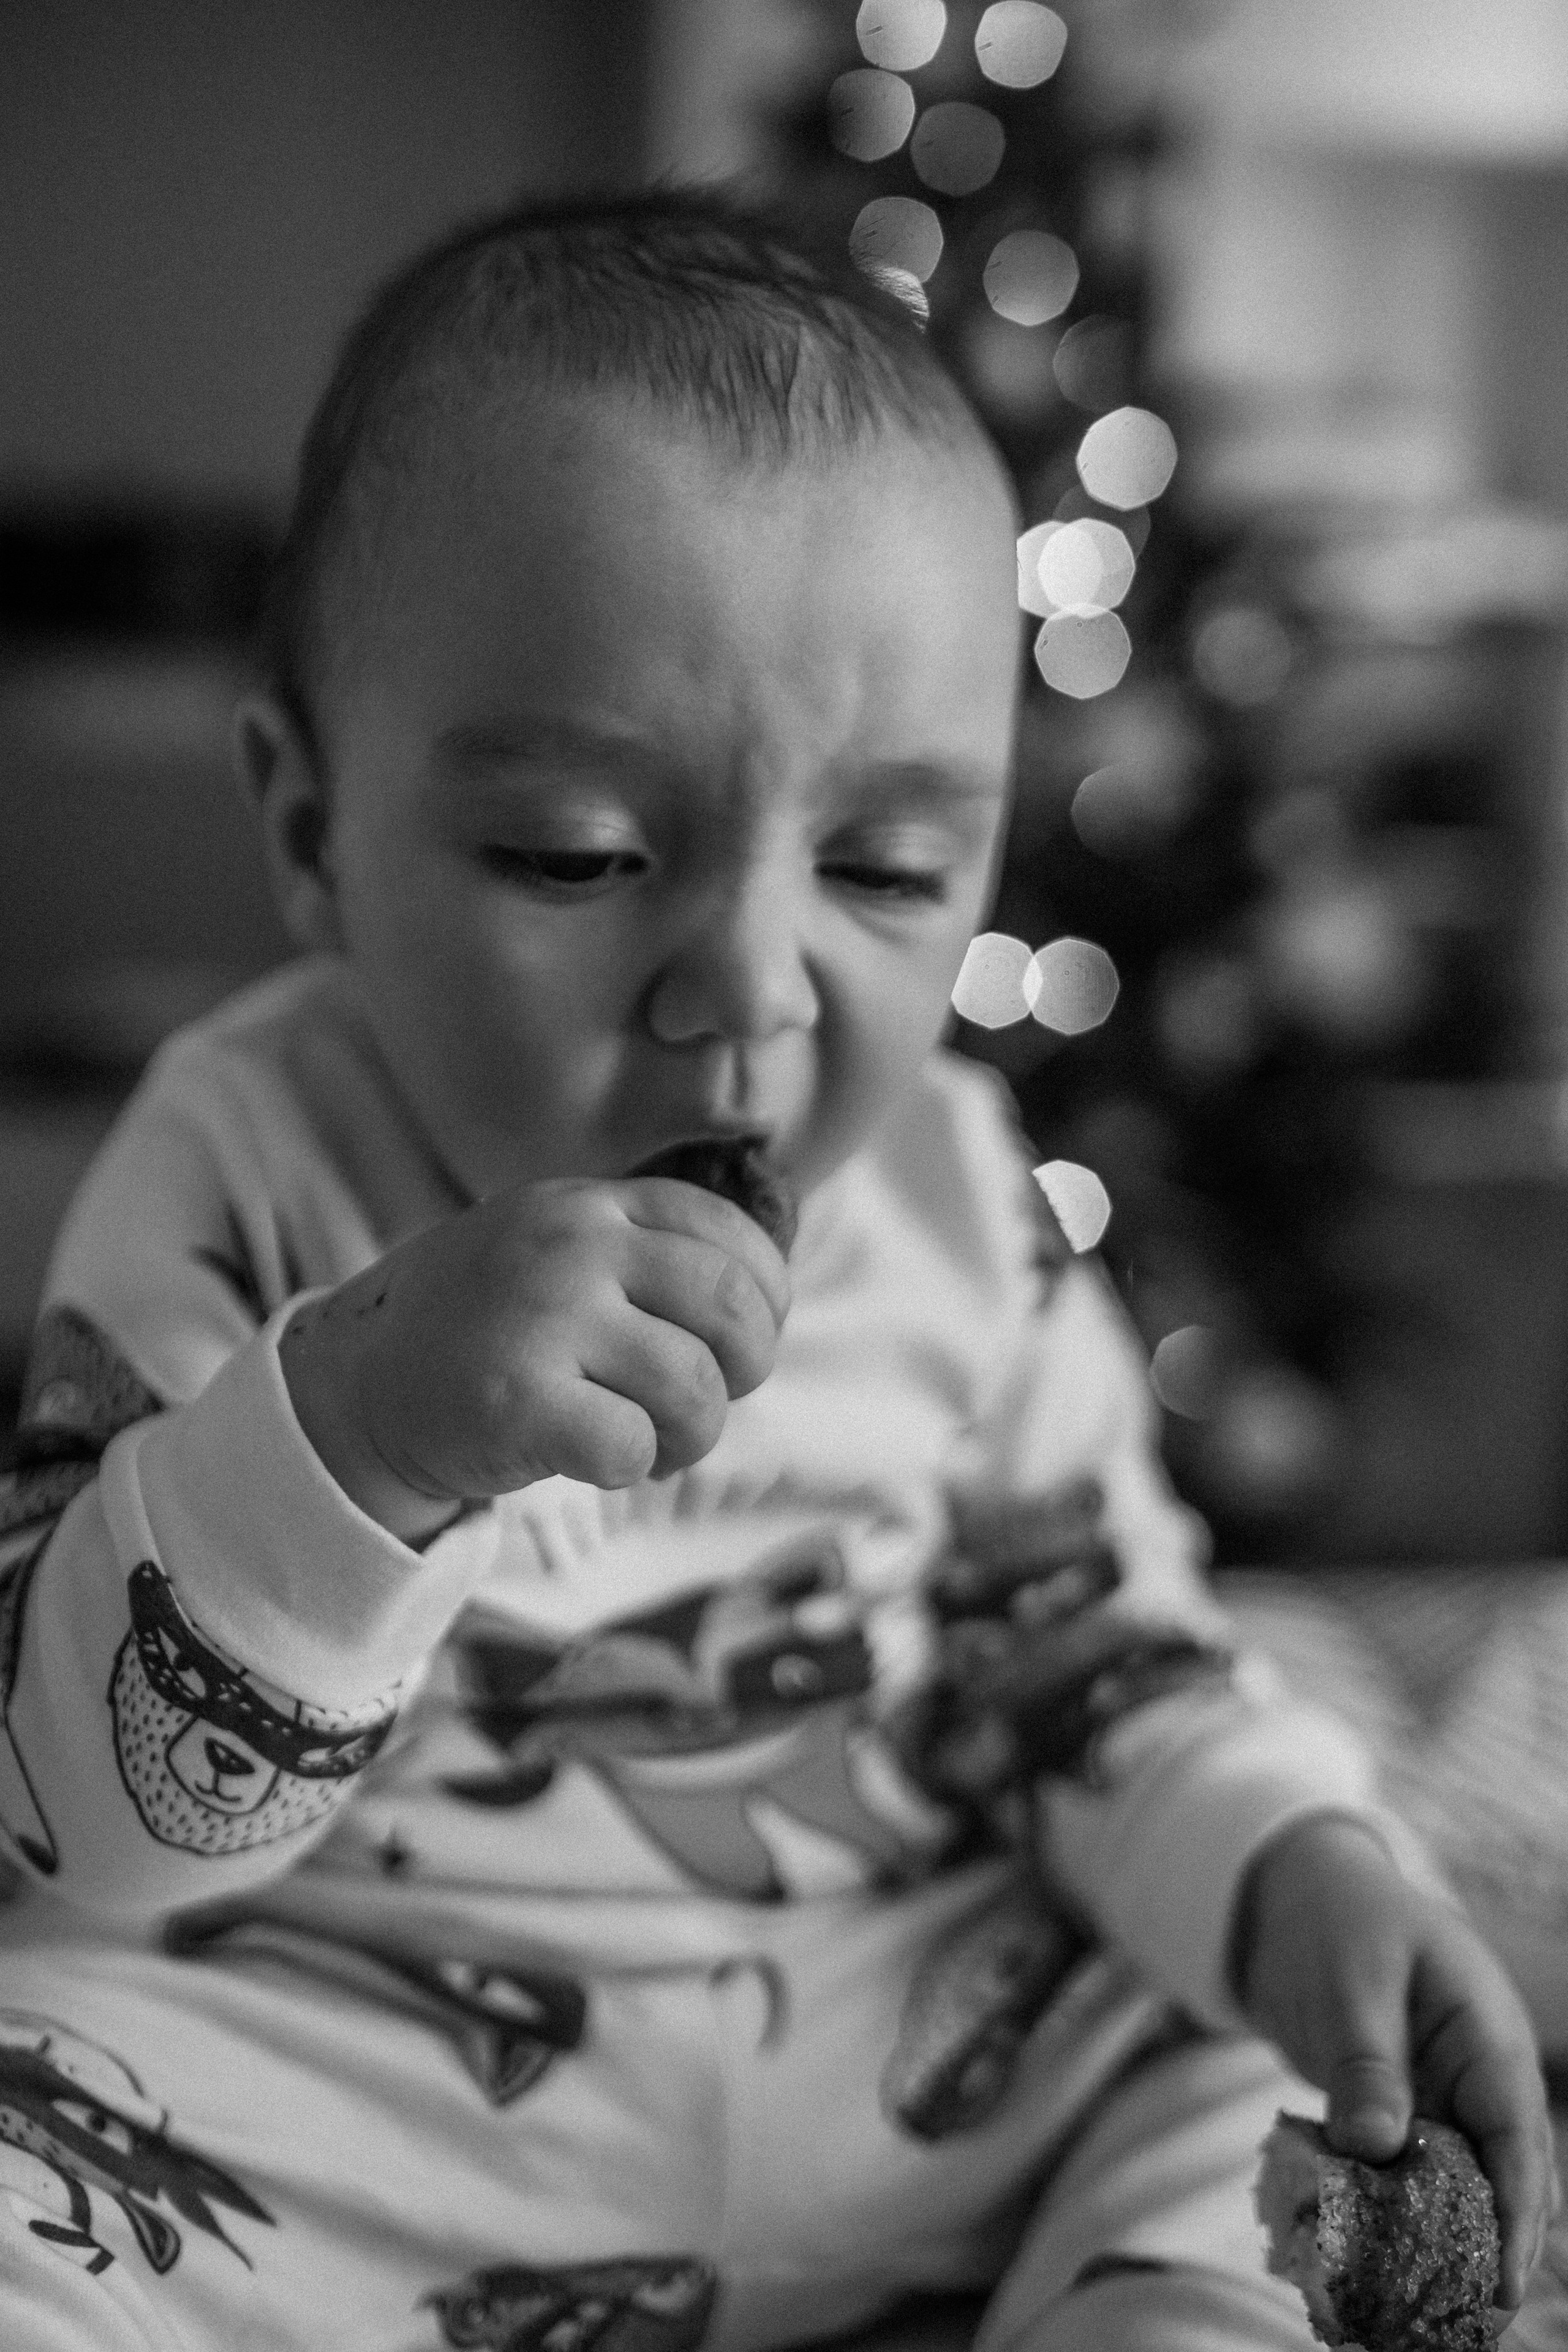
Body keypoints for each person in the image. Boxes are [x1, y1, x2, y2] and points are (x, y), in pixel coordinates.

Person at [0, 192, 1553, 2352]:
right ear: (306, 826)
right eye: (580, 854)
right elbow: (71, 1828)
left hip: (917, 2053)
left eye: (890, 868)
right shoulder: (246, 1153)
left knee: (1229, 2077)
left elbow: (1099, 1661)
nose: (747, 980)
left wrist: (1298, 1878)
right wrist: (350, 1431)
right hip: (364, 2094)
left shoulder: (952, 1198)